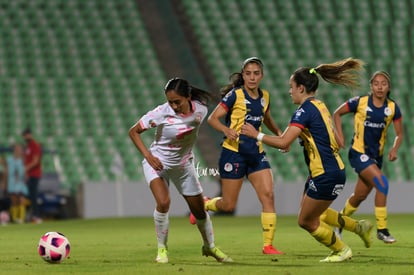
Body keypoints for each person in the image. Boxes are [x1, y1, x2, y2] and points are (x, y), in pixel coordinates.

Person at [241, 57, 373, 262]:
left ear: (301, 88)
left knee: (306, 221)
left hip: (326, 174)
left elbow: (285, 142)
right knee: (314, 214)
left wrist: (255, 134)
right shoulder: (319, 106)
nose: (289, 91)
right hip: (328, 170)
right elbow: (337, 141)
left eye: (291, 87)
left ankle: (342, 250)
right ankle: (358, 227)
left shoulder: (304, 111)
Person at [128, 77, 232, 264]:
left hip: (184, 166)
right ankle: (162, 250)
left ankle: (210, 247)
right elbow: (133, 131)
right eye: (170, 102)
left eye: (177, 101)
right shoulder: (161, 113)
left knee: (200, 211)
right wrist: (149, 157)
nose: (174, 106)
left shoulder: (201, 110)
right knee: (163, 202)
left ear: (188, 97)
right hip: (158, 164)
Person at [198, 57, 284, 255]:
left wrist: (279, 132)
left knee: (269, 196)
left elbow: (266, 117)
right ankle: (206, 204)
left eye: (256, 73)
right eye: (248, 73)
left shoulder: (265, 97)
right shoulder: (234, 95)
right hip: (233, 154)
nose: (252, 77)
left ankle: (268, 245)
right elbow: (212, 119)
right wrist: (226, 130)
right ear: (243, 75)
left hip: (256, 154)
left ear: (261, 75)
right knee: (228, 205)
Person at [333, 70, 403, 244]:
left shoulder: (393, 108)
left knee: (359, 196)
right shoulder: (360, 102)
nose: (380, 87)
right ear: (371, 86)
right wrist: (339, 137)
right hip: (358, 153)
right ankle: (382, 229)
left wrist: (394, 149)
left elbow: (399, 134)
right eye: (376, 83)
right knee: (382, 184)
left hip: (375, 159)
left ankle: (338, 223)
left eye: (383, 84)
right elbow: (336, 114)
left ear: (388, 87)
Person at [0, 143, 28, 223]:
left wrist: (26, 176)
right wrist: (4, 183)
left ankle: (22, 219)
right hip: (12, 182)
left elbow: (25, 170)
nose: (18, 151)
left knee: (21, 199)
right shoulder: (9, 160)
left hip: (20, 182)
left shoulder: (22, 160)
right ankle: (15, 218)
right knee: (14, 201)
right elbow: (5, 169)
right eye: (17, 149)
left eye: (19, 149)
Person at [22, 128, 43, 224]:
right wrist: (26, 173)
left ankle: (36, 215)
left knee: (33, 195)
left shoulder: (34, 145)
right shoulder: (28, 146)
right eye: (24, 135)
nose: (25, 137)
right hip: (30, 174)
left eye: (26, 135)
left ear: (30, 135)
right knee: (29, 195)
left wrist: (25, 169)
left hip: (35, 174)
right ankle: (32, 215)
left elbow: (35, 161)